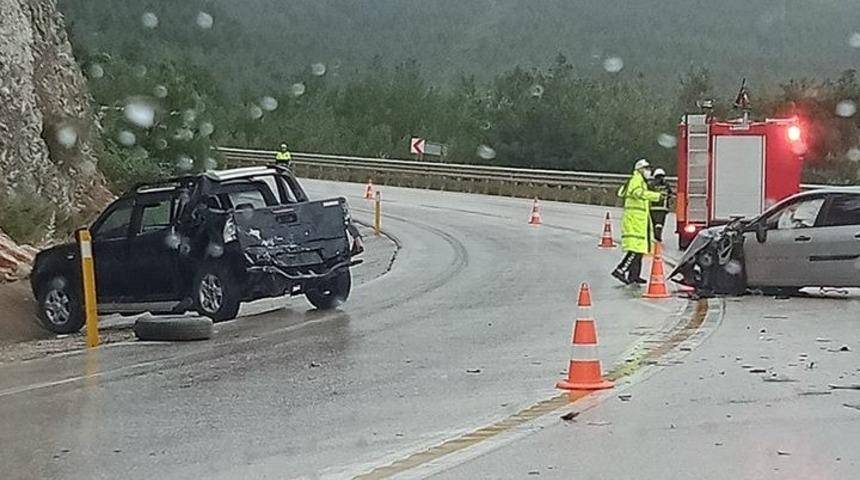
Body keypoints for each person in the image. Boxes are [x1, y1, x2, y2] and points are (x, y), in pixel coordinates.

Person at [612, 159, 664, 285]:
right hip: (634, 220)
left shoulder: (641, 181)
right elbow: (637, 193)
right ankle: (620, 270)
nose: (648, 171)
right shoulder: (636, 180)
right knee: (635, 249)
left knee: (640, 250)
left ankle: (634, 276)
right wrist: (656, 196)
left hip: (639, 220)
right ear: (639, 169)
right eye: (646, 168)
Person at [648, 168, 672, 242]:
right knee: (660, 224)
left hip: (653, 208)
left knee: (654, 223)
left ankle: (656, 236)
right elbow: (670, 194)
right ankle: (658, 236)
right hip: (663, 208)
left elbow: (647, 194)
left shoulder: (651, 185)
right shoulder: (666, 185)